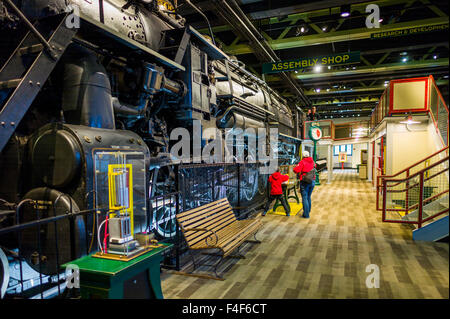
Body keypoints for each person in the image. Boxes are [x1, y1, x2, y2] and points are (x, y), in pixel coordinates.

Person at [293, 151, 316, 218]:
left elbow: (296, 170)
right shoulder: (312, 161)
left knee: (305, 197)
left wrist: (295, 167)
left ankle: (306, 214)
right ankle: (308, 211)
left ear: (303, 156)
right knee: (308, 196)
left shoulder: (302, 162)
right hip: (312, 180)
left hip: (305, 181)